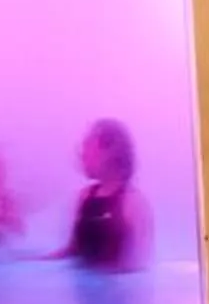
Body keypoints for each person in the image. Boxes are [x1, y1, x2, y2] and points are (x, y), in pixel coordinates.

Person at [50, 118, 151, 275]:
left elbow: (140, 265)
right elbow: (73, 251)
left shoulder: (133, 202)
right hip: (84, 287)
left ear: (109, 152)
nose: (81, 154)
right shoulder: (84, 197)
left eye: (87, 147)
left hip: (118, 293)